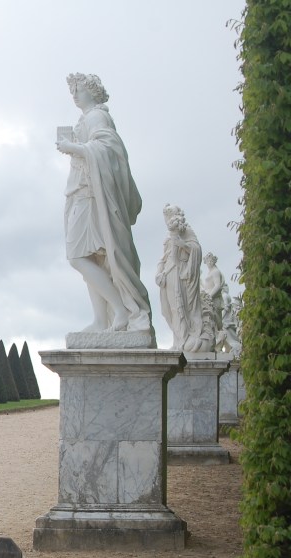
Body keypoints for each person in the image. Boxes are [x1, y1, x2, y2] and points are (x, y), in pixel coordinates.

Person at [56, 73, 154, 338]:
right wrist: (75, 147)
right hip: (82, 192)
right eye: (72, 91)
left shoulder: (97, 117)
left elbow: (108, 150)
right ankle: (101, 320)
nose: (74, 95)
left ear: (92, 92)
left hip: (91, 196)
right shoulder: (86, 119)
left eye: (78, 89)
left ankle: (120, 309)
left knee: (78, 257)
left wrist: (73, 148)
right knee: (93, 258)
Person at [155, 204, 209, 351]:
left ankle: (184, 339)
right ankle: (178, 339)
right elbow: (163, 258)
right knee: (171, 308)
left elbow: (197, 250)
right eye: (166, 216)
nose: (168, 218)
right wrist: (158, 273)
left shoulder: (186, 230)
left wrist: (183, 244)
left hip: (182, 273)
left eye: (170, 214)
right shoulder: (168, 236)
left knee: (182, 306)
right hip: (168, 273)